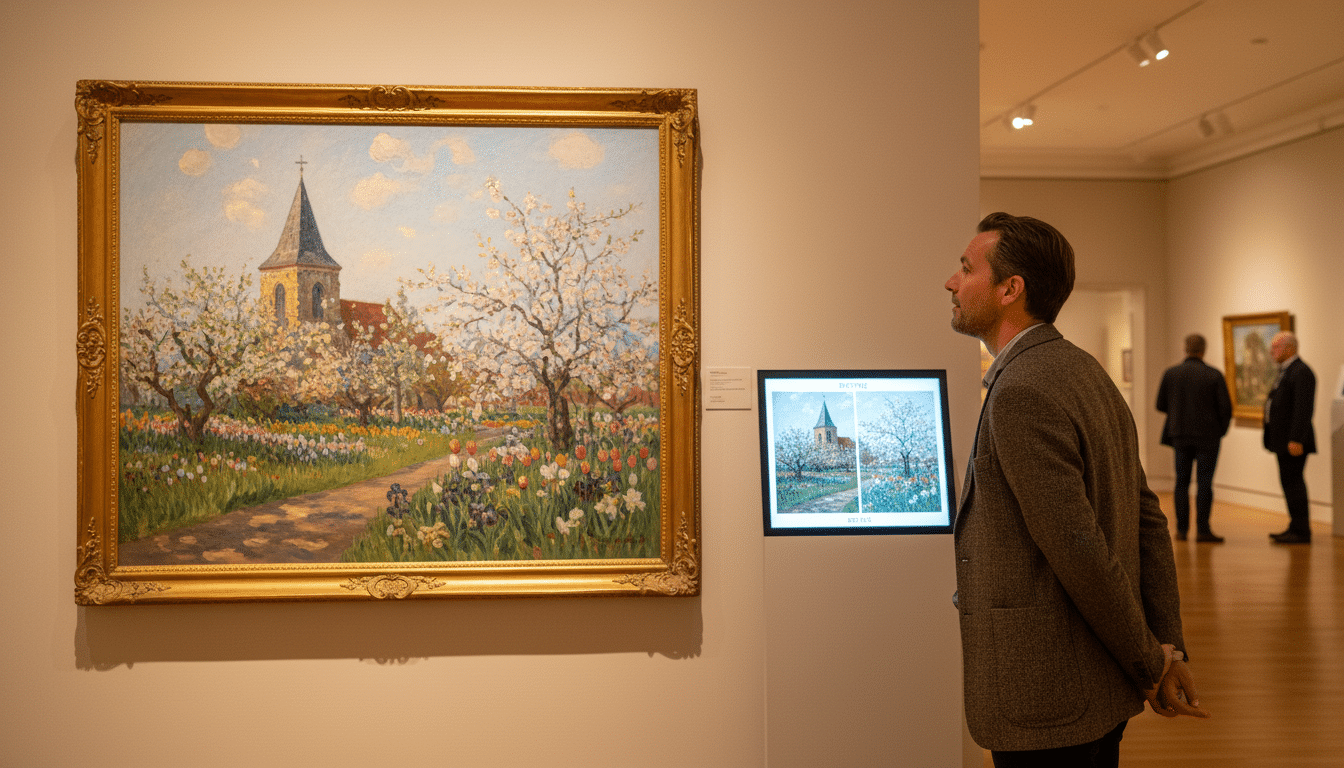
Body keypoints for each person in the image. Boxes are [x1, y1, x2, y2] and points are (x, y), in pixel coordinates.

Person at [945, 212, 1208, 766]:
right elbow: (1148, 520)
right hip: (1090, 690)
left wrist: (1151, 663)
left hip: (1047, 700)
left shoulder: (1022, 390)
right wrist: (1167, 644)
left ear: (1010, 289)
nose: (951, 282)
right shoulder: (1085, 371)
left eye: (966, 269)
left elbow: (1080, 551)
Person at [1156, 334, 1233, 542]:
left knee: (1181, 482)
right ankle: (1203, 530)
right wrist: (1220, 430)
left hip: (1180, 435)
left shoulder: (1171, 373)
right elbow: (1226, 409)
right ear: (1203, 350)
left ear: (1185, 349)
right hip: (1208, 437)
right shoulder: (1214, 375)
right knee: (1205, 483)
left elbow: (1160, 405)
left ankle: (1181, 530)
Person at [1263, 331, 1316, 544]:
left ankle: (1301, 530)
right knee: (1289, 483)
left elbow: (1303, 410)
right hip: (1282, 440)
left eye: (1276, 347)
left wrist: (1296, 439)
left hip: (1293, 441)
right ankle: (1295, 526)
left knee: (1294, 483)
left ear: (1290, 348)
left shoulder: (1301, 372)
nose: (1271, 352)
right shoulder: (1286, 371)